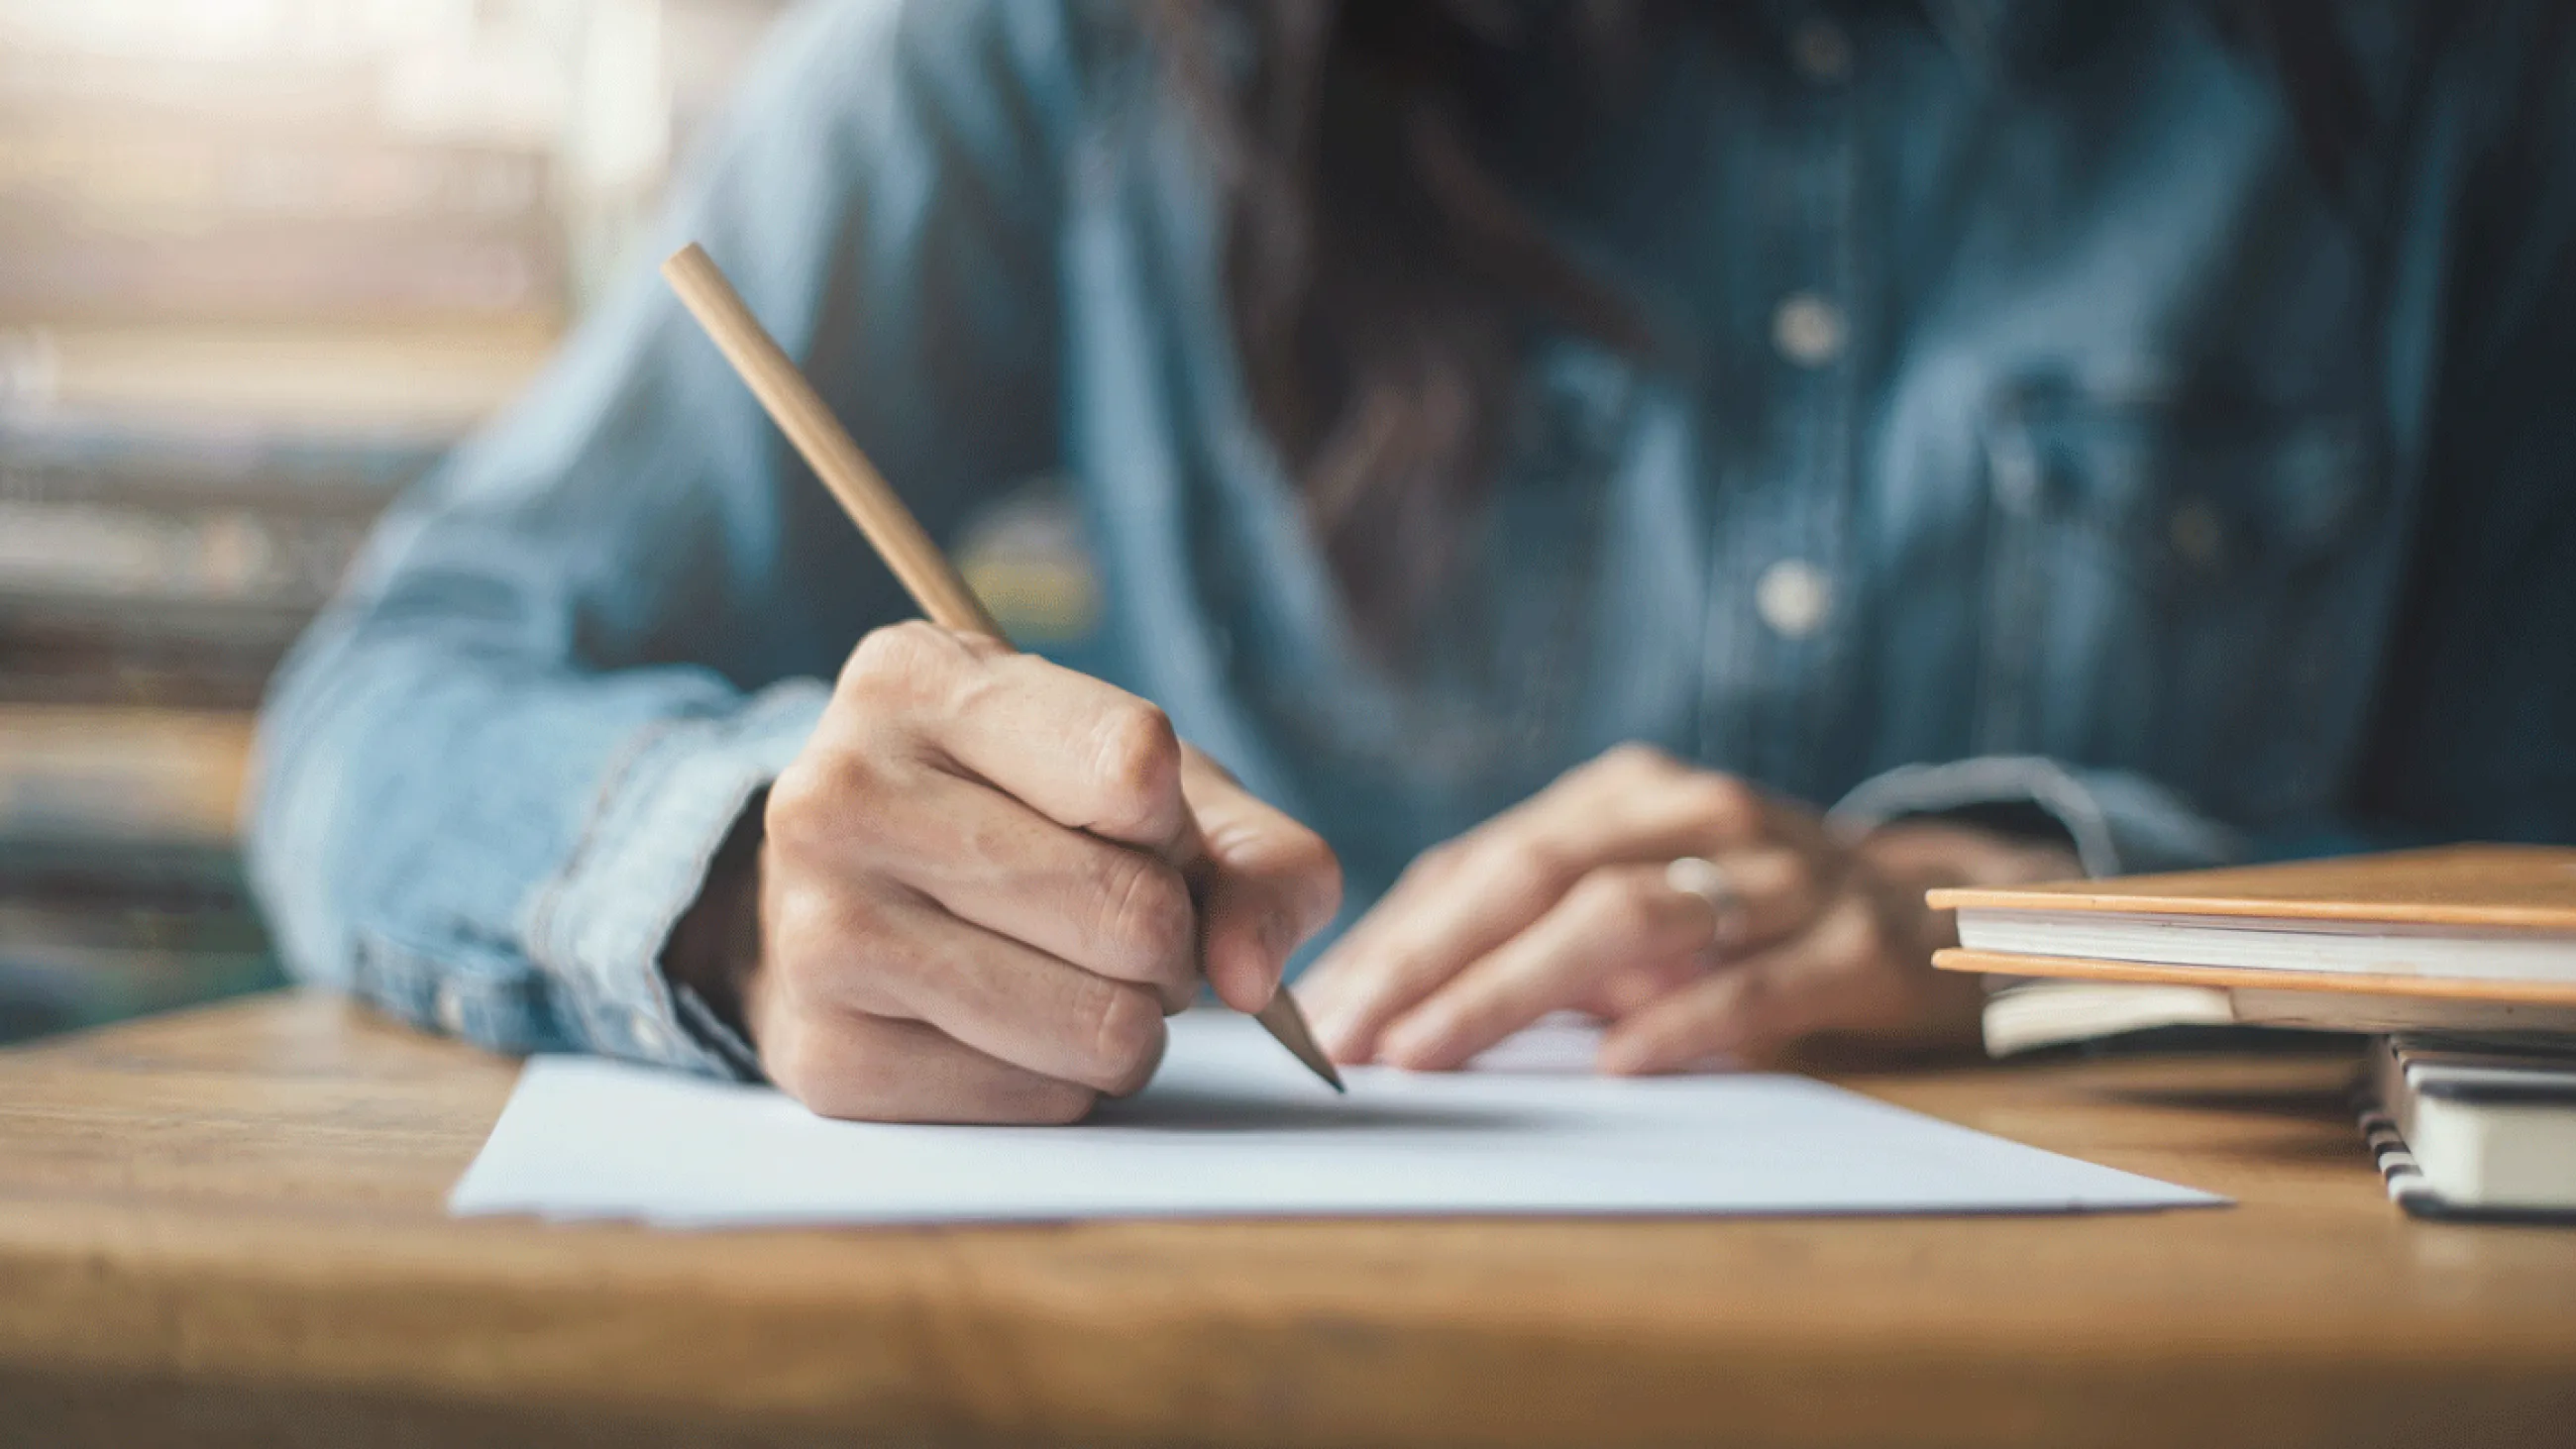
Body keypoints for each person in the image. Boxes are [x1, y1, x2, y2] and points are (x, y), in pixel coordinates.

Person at [250, 0, 2576, 1122]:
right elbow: (397, 694)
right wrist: (748, 875)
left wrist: (2018, 929)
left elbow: (2541, 885)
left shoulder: (2454, 88)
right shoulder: (1049, 56)